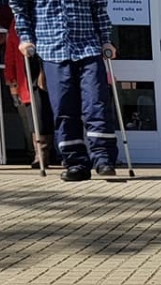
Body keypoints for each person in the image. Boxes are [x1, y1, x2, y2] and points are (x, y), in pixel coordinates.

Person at [8, 0, 118, 181]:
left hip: (88, 47)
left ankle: (103, 159)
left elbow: (99, 8)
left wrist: (106, 40)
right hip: (52, 49)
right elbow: (20, 8)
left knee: (96, 103)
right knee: (64, 108)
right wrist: (26, 38)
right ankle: (75, 163)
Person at [2, 7, 56, 168]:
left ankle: (55, 151)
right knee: (36, 114)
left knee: (53, 110)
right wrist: (11, 79)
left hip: (50, 68)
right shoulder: (18, 22)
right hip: (28, 75)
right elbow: (11, 51)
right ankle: (41, 152)